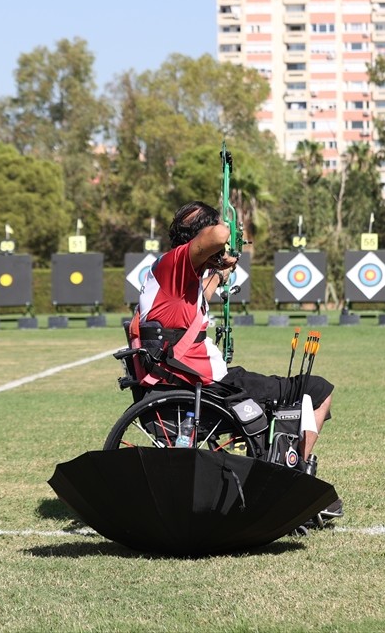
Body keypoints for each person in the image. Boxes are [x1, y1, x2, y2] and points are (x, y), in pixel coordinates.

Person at [134, 201, 342, 523]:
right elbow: (218, 234)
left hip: (190, 379)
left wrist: (219, 273)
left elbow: (191, 301)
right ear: (198, 236)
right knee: (316, 390)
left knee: (297, 389)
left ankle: (289, 475)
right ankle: (298, 484)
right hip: (210, 385)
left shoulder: (171, 277)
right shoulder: (175, 263)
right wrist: (225, 232)